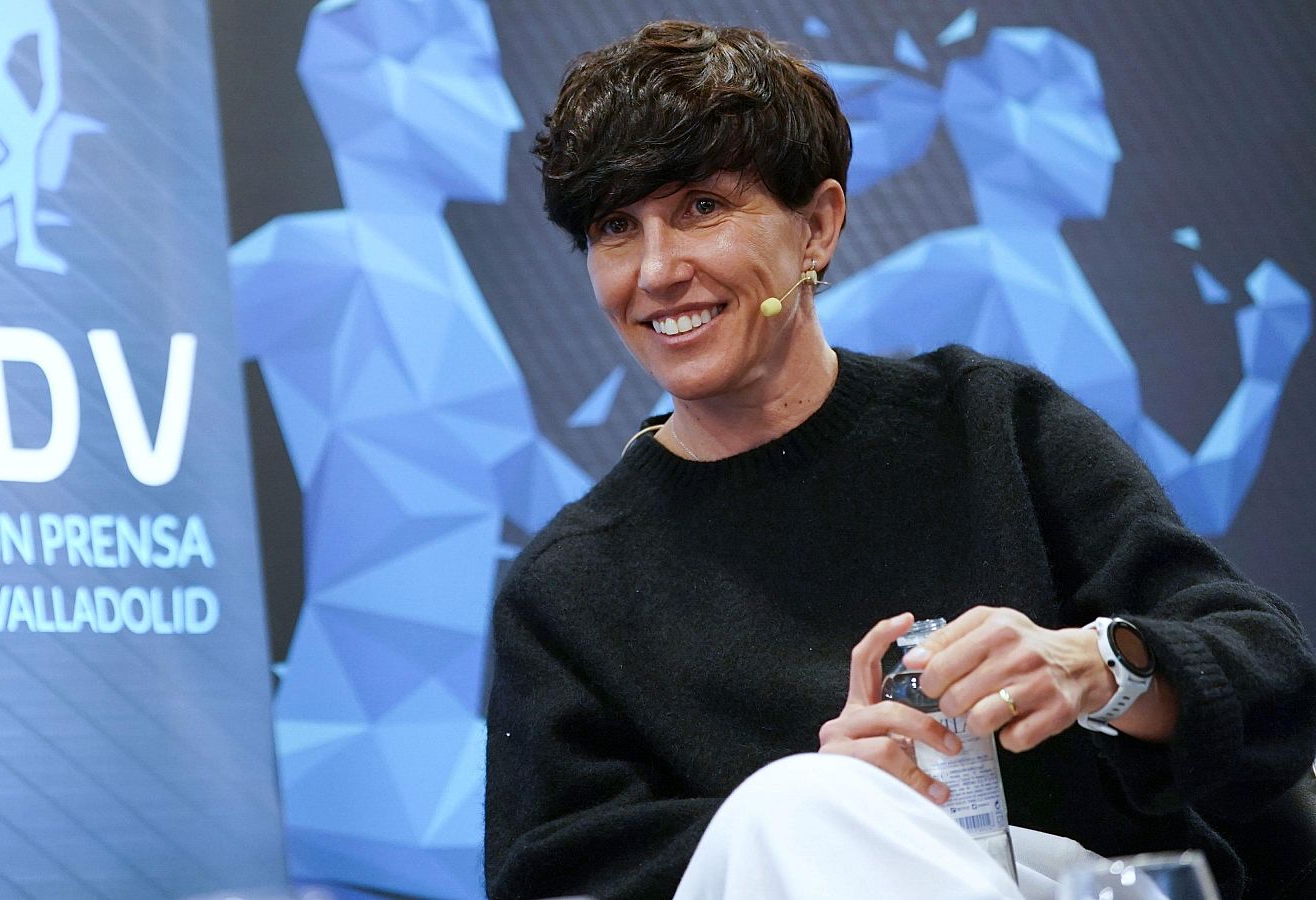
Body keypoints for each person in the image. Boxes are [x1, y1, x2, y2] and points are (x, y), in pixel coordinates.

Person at [483, 19, 1316, 900]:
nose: (656, 272)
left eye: (701, 208)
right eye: (617, 226)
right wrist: (830, 806)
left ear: (817, 227)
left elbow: (1272, 674)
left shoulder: (992, 426)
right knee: (797, 807)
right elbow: (556, 875)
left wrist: (1099, 668)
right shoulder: (569, 591)